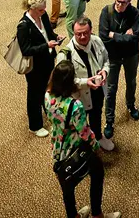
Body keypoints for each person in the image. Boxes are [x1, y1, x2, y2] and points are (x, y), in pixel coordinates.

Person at [45, 61, 121, 218]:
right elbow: (84, 133)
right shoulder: (75, 105)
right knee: (98, 174)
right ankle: (97, 214)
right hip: (78, 148)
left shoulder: (47, 96)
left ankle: (74, 215)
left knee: (67, 187)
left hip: (59, 148)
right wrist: (96, 146)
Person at [59, 15, 111, 150]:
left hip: (97, 90)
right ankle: (82, 146)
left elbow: (106, 60)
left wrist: (105, 71)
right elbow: (63, 81)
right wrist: (85, 82)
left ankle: (98, 136)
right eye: (78, 34)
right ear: (73, 33)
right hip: (78, 97)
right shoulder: (65, 54)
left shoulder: (97, 41)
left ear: (91, 30)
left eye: (85, 33)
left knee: (96, 114)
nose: (82, 37)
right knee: (78, 122)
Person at [99, 0, 139, 143]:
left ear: (129, 2)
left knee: (131, 82)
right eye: (118, 1)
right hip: (113, 57)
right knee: (111, 88)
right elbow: (103, 36)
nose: (119, 5)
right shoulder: (107, 11)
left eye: (123, 2)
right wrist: (124, 36)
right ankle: (109, 120)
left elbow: (134, 38)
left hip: (131, 55)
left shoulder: (135, 13)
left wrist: (114, 35)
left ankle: (131, 106)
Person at [17, 0, 60, 137]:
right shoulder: (23, 25)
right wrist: (45, 45)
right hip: (34, 65)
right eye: (41, 10)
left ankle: (48, 110)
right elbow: (26, 50)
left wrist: (55, 37)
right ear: (32, 9)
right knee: (34, 93)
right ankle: (35, 125)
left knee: (48, 87)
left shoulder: (43, 15)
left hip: (48, 59)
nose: (44, 11)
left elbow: (48, 32)